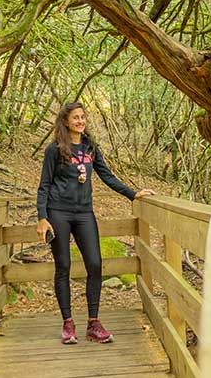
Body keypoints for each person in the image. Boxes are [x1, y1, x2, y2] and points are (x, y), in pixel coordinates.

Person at [36, 102, 156, 344]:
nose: (80, 121)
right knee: (63, 266)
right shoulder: (55, 149)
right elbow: (44, 185)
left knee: (95, 264)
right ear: (66, 121)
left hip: (84, 213)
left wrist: (133, 194)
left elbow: (106, 175)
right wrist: (42, 218)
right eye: (75, 117)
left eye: (83, 117)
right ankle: (68, 324)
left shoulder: (90, 147)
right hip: (58, 212)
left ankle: (93, 324)